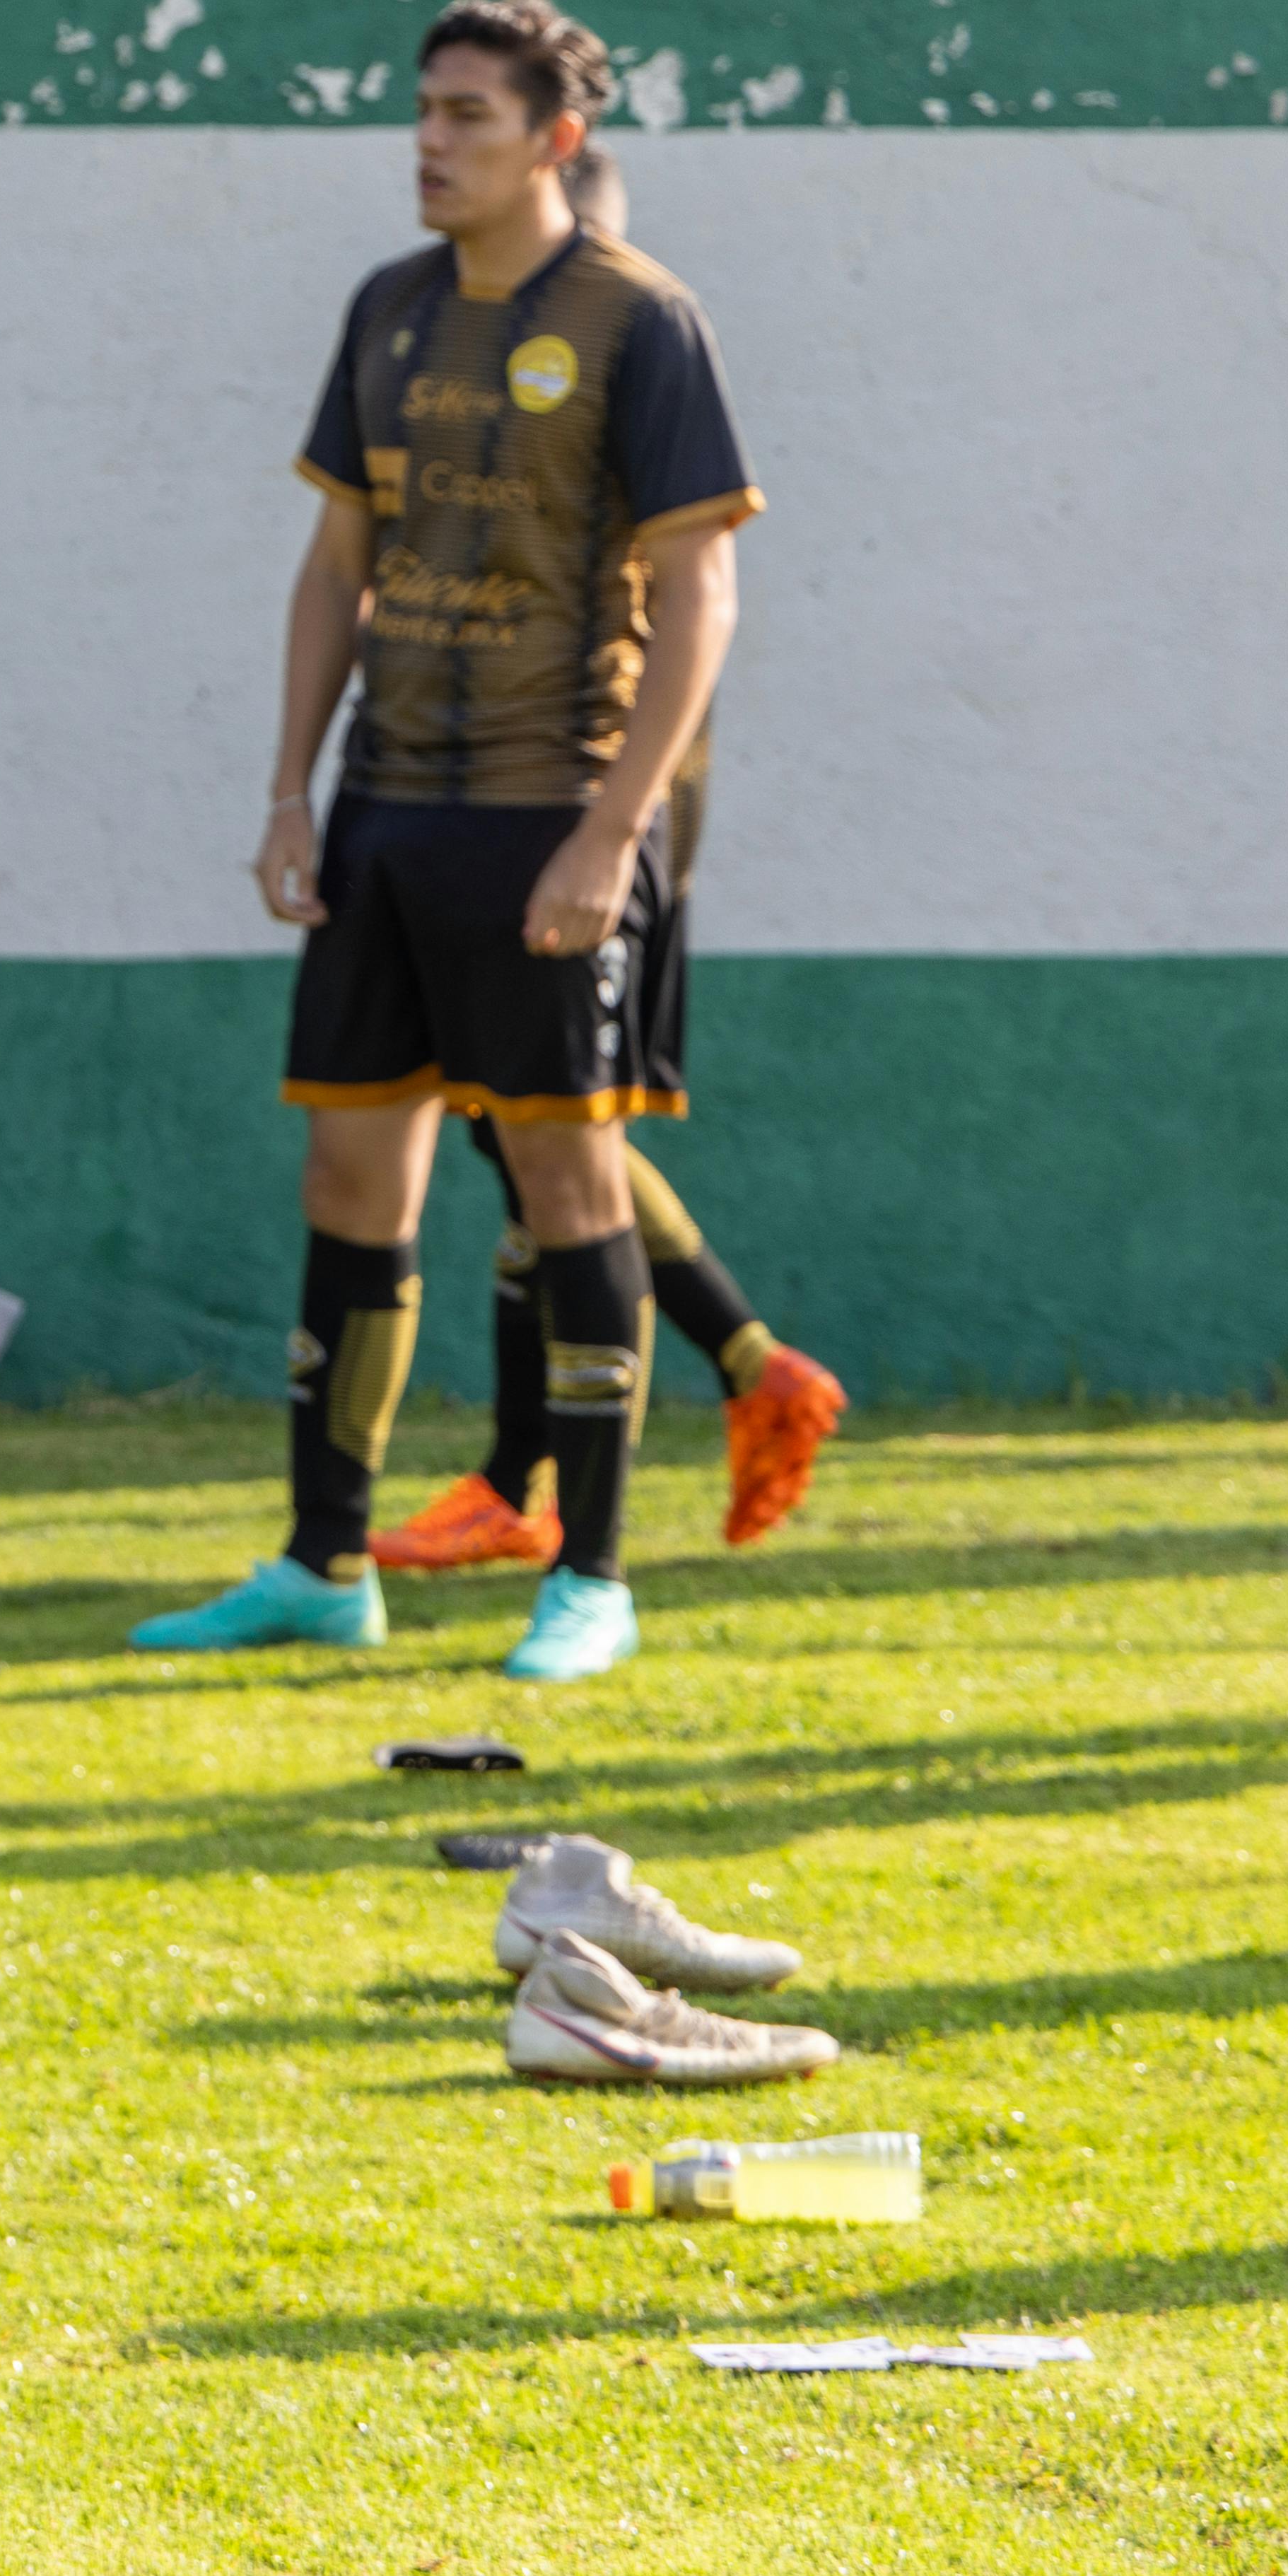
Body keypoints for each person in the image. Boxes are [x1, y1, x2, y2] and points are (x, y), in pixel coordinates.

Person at [136, 0, 759, 1685]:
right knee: (351, 1175)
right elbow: (337, 567)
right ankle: (323, 1560)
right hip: (386, 812)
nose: (431, 141)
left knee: (566, 1178)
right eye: (422, 109)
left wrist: (610, 833)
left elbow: (704, 590)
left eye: (469, 115)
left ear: (555, 140)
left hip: (551, 807)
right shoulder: (387, 311)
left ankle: (594, 1571)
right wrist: (289, 788)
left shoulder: (641, 322)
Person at [376, 141, 845, 1573]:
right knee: (523, 1131)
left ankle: (687, 1404)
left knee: (544, 1129)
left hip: (590, 804)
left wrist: (611, 820)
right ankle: (558, 1460)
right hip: (489, 797)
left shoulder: (629, 357)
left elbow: (692, 591)